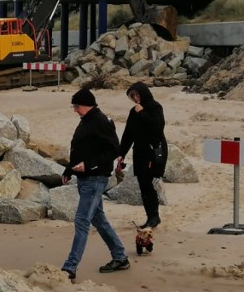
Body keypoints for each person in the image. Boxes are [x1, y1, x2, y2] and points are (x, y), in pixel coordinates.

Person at [61, 88, 129, 280]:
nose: (75, 110)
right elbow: (79, 150)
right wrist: (69, 169)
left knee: (82, 221)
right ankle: (120, 256)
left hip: (96, 178)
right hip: (84, 178)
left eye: (77, 106)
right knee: (99, 219)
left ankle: (70, 267)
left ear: (87, 105)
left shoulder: (101, 121)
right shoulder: (86, 121)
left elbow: (114, 150)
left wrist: (90, 165)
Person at [118, 82, 168, 229]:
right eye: (132, 96)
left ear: (143, 93)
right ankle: (151, 217)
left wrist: (143, 113)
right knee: (143, 185)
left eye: (136, 95)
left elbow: (157, 128)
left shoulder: (155, 107)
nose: (135, 98)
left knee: (148, 184)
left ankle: (154, 216)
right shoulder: (133, 111)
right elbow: (128, 134)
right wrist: (121, 153)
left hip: (153, 152)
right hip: (140, 152)